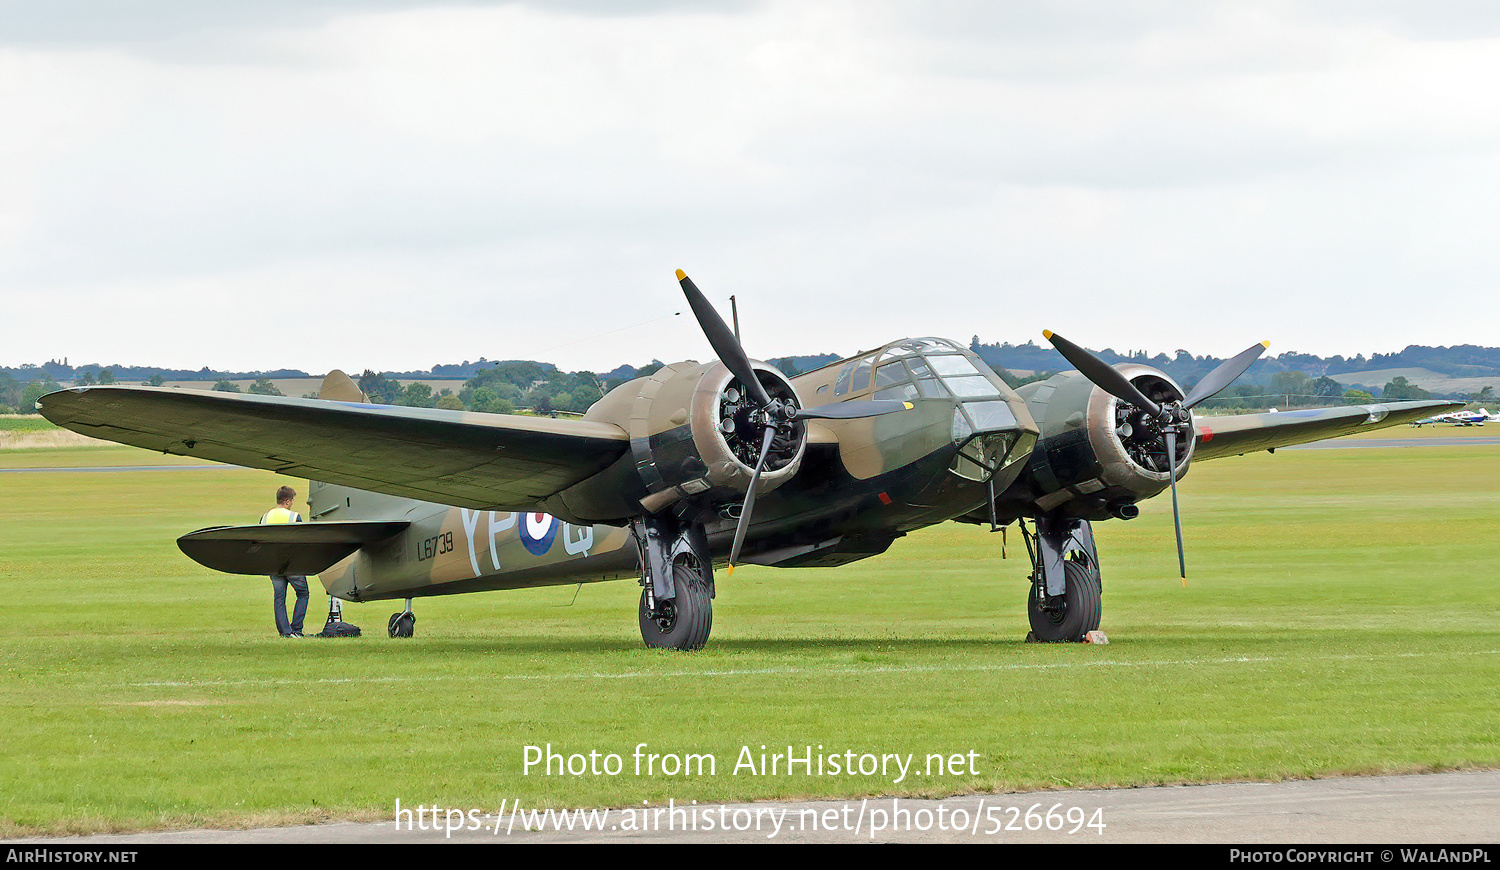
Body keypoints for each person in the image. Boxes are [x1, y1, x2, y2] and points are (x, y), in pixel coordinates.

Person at [261, 485, 308, 637]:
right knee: (303, 594)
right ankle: (297, 629)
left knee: (279, 597)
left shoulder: (265, 517)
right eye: (293, 500)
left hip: (272, 563)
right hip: (292, 563)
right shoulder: (294, 517)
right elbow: (301, 540)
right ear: (287, 501)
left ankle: (285, 632)